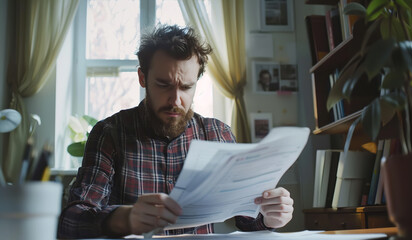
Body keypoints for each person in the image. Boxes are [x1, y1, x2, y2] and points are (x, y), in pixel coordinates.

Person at [58, 24, 294, 238]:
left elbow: (246, 219)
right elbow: (71, 221)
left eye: (186, 87)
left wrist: (269, 216)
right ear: (142, 78)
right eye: (164, 85)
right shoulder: (109, 133)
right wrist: (125, 218)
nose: (176, 100)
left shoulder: (217, 134)